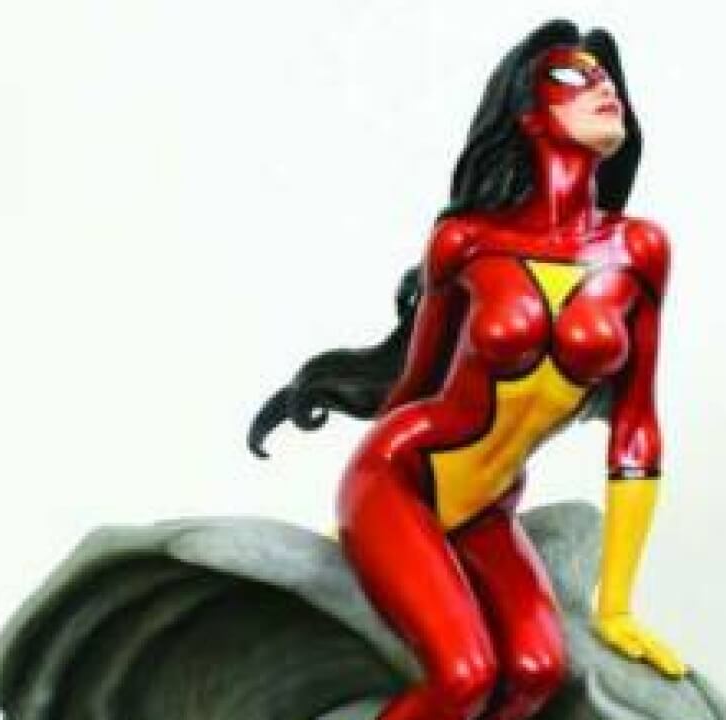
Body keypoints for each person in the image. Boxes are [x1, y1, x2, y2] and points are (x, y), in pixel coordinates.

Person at [249, 19, 686, 720]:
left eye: (608, 79)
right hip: (400, 478)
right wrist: (363, 534)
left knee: (539, 672)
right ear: (528, 114)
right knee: (464, 676)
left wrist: (617, 606)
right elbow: (417, 382)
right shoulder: (465, 242)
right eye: (573, 76)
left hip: (487, 506)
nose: (602, 88)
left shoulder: (639, 252)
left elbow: (635, 430)